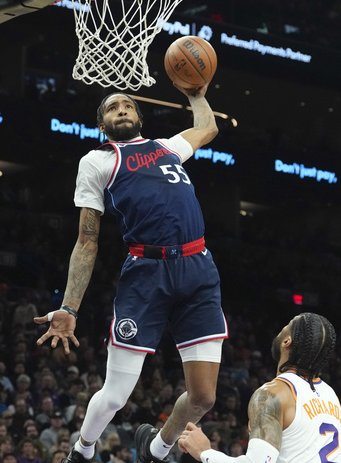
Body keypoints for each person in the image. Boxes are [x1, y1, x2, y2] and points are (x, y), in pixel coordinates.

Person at [33, 84, 228, 463]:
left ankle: (157, 448)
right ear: (102, 125)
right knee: (116, 395)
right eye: (111, 108)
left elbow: (207, 128)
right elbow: (87, 241)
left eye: (127, 105)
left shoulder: (167, 147)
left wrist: (196, 94)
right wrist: (69, 308)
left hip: (198, 270)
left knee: (203, 398)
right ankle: (83, 450)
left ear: (139, 117)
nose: (121, 110)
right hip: (146, 276)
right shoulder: (97, 161)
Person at [178, 312, 341, 463]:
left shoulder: (273, 394)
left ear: (287, 342)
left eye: (288, 324)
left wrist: (204, 451)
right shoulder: (332, 397)